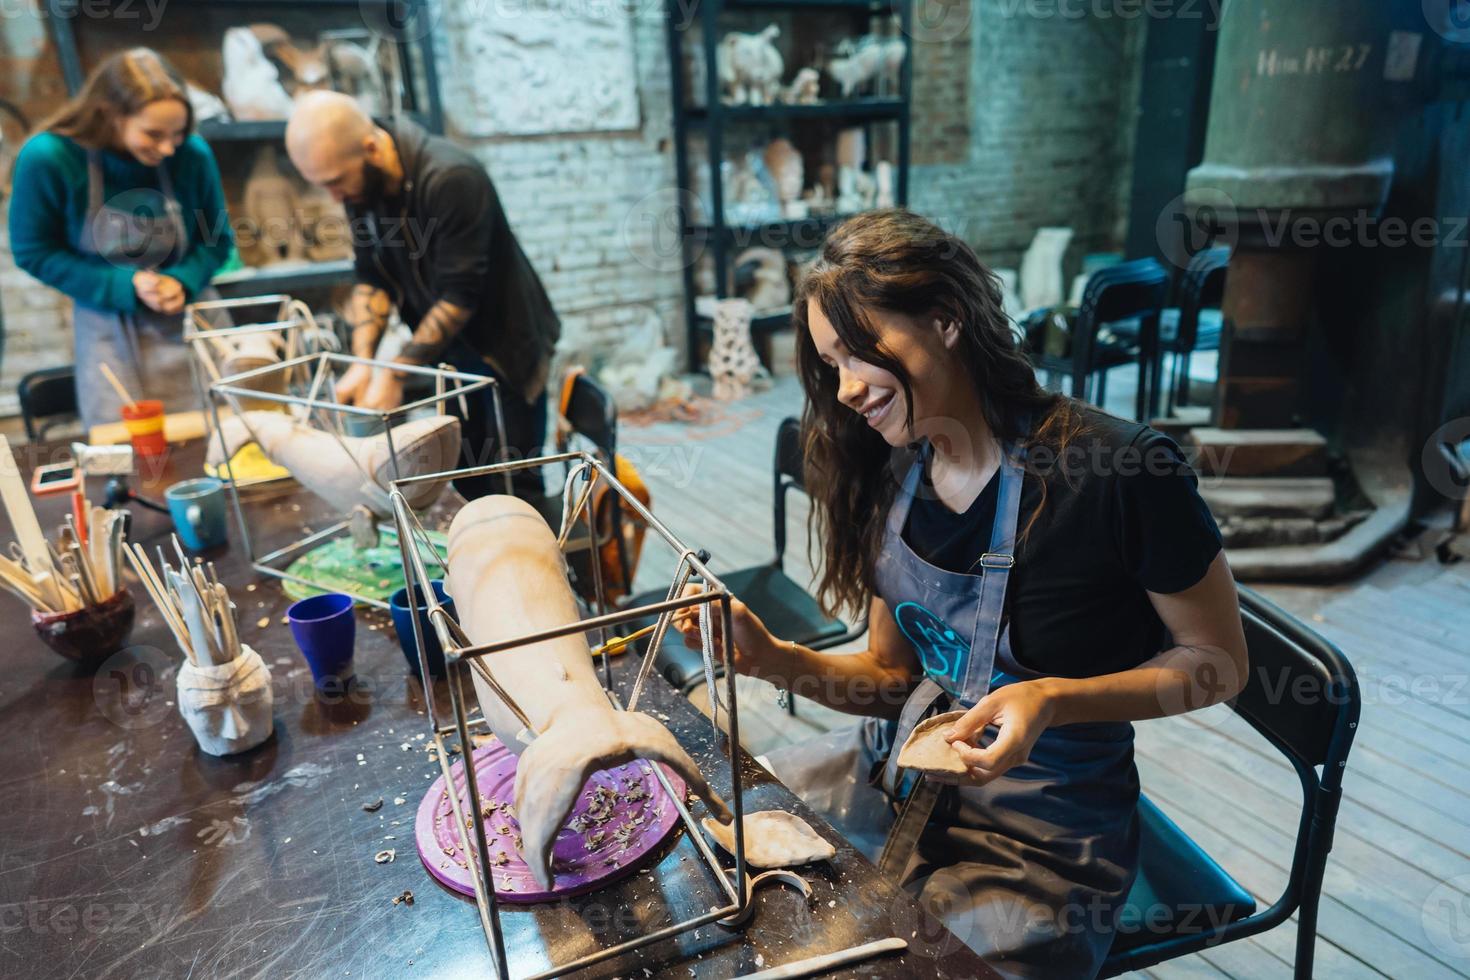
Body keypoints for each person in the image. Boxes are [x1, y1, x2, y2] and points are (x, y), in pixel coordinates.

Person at [677, 210, 1248, 977]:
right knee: (713, 866)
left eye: (860, 353)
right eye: (829, 363)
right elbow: (890, 679)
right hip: (898, 776)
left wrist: (1051, 699)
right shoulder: (897, 469)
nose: (845, 389)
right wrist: (773, 659)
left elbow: (1218, 664)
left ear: (946, 319)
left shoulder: (1118, 473)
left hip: (1042, 840)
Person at [284, 92, 560, 504]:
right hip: (452, 353)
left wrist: (393, 374)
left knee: (512, 485)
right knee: (467, 480)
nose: (334, 198)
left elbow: (458, 296)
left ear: (372, 147)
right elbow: (370, 276)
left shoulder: (452, 178)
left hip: (505, 350)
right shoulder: (363, 189)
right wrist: (363, 363)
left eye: (336, 182)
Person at [9, 48, 234, 431]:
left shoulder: (191, 155)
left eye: (177, 134)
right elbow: (34, 252)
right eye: (153, 134)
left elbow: (217, 240)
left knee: (230, 436)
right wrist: (123, 284)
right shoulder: (49, 158)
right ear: (108, 114)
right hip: (108, 336)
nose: (167, 148)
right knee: (131, 456)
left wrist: (182, 279)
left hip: (196, 324)